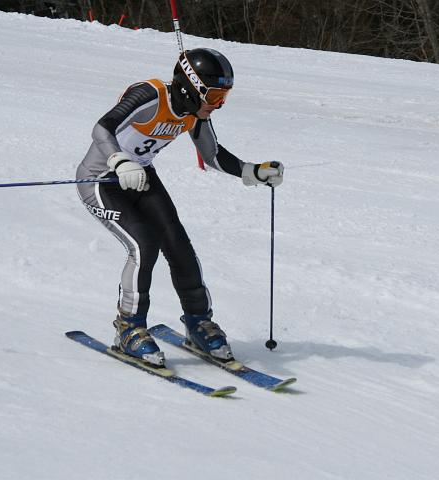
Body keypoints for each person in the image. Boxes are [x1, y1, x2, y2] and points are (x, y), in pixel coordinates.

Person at [76, 48, 284, 367]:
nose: (218, 105)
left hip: (140, 177)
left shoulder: (194, 112)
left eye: (224, 97)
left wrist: (251, 171)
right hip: (100, 180)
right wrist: (119, 161)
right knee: (143, 245)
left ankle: (199, 323)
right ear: (190, 87)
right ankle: (129, 329)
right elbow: (102, 128)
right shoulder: (149, 95)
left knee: (177, 244)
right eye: (214, 96)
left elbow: (212, 154)